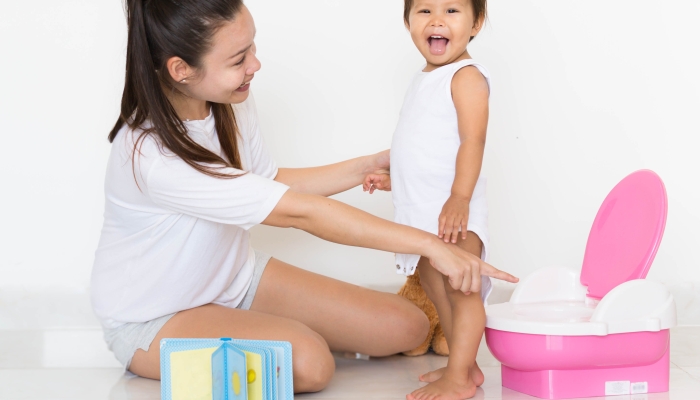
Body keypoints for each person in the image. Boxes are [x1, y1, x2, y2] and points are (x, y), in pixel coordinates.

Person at [92, 0, 518, 394]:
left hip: (233, 279)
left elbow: (267, 180)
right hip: (155, 317)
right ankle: (238, 335)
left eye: (251, 46)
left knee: (408, 327)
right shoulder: (151, 156)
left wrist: (366, 166)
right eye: (239, 59)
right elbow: (300, 213)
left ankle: (248, 326)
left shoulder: (226, 100)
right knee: (310, 363)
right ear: (181, 69)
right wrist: (430, 245)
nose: (255, 65)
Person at [364, 0, 500, 398]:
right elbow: (426, 146)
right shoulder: (424, 78)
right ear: (407, 21)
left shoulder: (466, 76)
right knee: (432, 283)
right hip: (423, 209)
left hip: (454, 210)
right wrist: (398, 179)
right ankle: (464, 366)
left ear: (476, 23)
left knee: (461, 289)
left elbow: (473, 141)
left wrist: (460, 197)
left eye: (452, 11)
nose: (437, 19)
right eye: (424, 10)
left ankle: (459, 375)